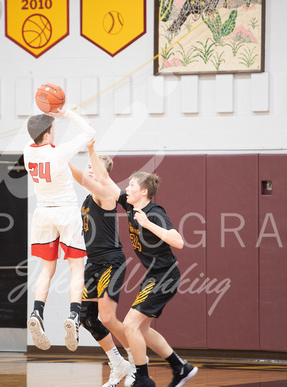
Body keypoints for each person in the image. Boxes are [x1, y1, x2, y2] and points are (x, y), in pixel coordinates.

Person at [88, 142, 198, 387]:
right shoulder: (130, 204)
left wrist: (148, 224)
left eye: (132, 186)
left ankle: (143, 379)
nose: (127, 188)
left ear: (144, 192)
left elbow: (178, 242)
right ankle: (180, 367)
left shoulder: (155, 212)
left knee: (129, 325)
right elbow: (105, 180)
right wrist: (92, 151)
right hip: (155, 275)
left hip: (165, 276)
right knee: (142, 330)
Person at [24, 106, 95, 352]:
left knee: (46, 269)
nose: (55, 132)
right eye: (53, 129)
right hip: (66, 211)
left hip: (42, 213)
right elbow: (89, 131)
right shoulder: (58, 153)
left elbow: (36, 136)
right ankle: (74, 315)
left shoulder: (27, 152)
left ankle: (37, 312)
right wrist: (66, 113)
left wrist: (47, 118)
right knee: (77, 268)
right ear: (47, 134)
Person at [69, 152, 135, 387]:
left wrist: (58, 157)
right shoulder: (87, 199)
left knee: (107, 317)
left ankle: (137, 363)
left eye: (93, 167)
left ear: (103, 173)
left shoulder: (105, 194)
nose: (88, 169)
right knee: (87, 317)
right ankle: (117, 364)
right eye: (87, 166)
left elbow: (86, 180)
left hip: (111, 262)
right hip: (93, 262)